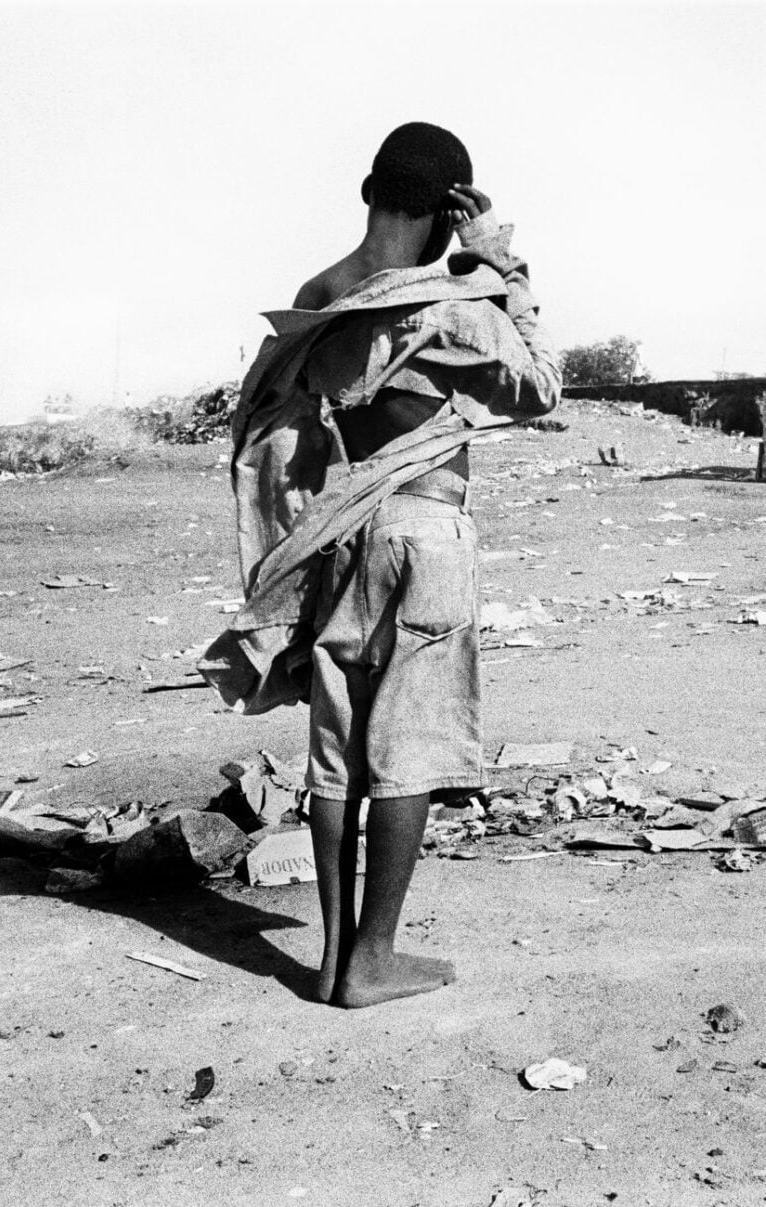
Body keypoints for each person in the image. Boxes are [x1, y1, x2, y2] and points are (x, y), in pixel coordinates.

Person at [199, 122, 561, 1008]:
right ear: (450, 210)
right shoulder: (450, 299)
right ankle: (374, 959)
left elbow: (279, 426)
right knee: (410, 745)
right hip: (424, 534)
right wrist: (499, 267)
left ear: (368, 190)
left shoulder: (320, 295)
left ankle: (328, 958)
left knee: (337, 748)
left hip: (339, 535)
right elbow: (541, 384)